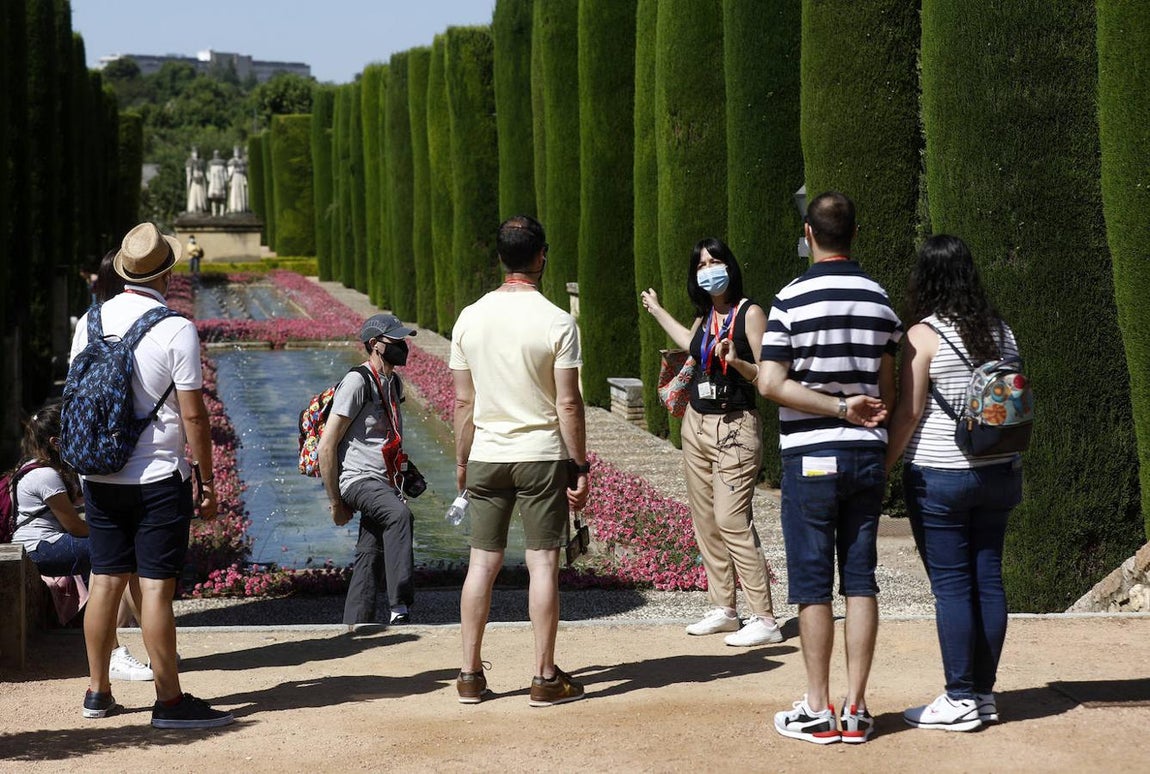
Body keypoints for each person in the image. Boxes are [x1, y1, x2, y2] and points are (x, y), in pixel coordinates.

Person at [70, 221, 233, 728]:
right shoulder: (175, 328)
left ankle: (97, 692)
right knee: (156, 590)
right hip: (158, 476)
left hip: (99, 475)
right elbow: (194, 416)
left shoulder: (90, 320)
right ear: (166, 274)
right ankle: (169, 702)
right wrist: (206, 480)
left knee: (104, 582)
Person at [758, 191, 902, 744]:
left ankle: (818, 708)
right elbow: (888, 390)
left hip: (811, 457)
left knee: (813, 584)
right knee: (861, 579)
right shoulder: (879, 300)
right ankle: (857, 709)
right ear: (854, 233)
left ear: (808, 234)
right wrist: (869, 433)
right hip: (865, 454)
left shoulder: (789, 300)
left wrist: (837, 407)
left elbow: (771, 383)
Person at [885, 234, 1023, 732]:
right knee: (988, 579)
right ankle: (983, 695)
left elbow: (910, 412)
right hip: (1001, 471)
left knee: (951, 587)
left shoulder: (923, 335)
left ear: (926, 278)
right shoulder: (1002, 332)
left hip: (941, 474)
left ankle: (959, 696)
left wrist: (883, 466)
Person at [450, 215, 590, 707]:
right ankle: (544, 678)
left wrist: (462, 462)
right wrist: (579, 466)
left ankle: (469, 675)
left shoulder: (469, 317)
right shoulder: (557, 320)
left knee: (481, 564)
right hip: (540, 456)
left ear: (500, 258)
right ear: (541, 256)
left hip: (487, 453)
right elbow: (568, 403)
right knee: (542, 564)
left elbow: (463, 403)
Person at [640, 238, 783, 647]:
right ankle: (724, 609)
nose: (708, 269)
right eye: (701, 264)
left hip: (735, 427)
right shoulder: (705, 317)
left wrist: (737, 361)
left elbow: (767, 376)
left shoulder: (750, 313)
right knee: (704, 521)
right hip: (697, 424)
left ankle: (765, 618)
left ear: (729, 266)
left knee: (731, 520)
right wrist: (657, 310)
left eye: (715, 261)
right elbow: (689, 345)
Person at [10, 403, 153, 681]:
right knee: (113, 556)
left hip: (47, 542)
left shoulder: (44, 467)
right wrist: (116, 536)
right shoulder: (45, 475)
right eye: (74, 432)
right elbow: (74, 526)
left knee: (122, 557)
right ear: (56, 442)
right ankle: (115, 653)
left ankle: (141, 641)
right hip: (40, 547)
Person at [317, 313, 418, 629]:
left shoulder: (393, 382)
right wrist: (336, 502)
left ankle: (355, 625)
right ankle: (400, 606)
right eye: (396, 340)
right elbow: (326, 446)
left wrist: (405, 470)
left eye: (403, 339)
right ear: (375, 344)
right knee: (399, 516)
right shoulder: (357, 382)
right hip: (358, 480)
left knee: (370, 551)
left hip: (384, 480)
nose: (403, 345)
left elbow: (384, 436)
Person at [226, 146, 249, 214]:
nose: (237, 153)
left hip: (241, 177)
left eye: (238, 151)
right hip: (235, 177)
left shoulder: (243, 161)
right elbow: (230, 171)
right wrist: (229, 178)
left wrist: (243, 171)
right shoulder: (232, 161)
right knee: (234, 192)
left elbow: (245, 170)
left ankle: (241, 207)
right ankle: (234, 207)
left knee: (241, 191)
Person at [185, 147, 207, 215]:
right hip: (193, 181)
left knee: (200, 194)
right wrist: (193, 178)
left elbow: (203, 172)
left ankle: (200, 207)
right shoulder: (189, 161)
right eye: (194, 152)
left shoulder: (201, 161)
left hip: (200, 180)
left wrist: (201, 177)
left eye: (196, 152)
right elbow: (189, 173)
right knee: (193, 194)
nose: (195, 154)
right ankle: (192, 208)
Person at [207, 150, 228, 217]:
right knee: (214, 199)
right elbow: (208, 174)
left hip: (220, 183)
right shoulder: (210, 163)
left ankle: (222, 213)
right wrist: (210, 180)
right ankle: (214, 213)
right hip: (214, 184)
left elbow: (225, 174)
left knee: (222, 199)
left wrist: (225, 181)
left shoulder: (222, 164)